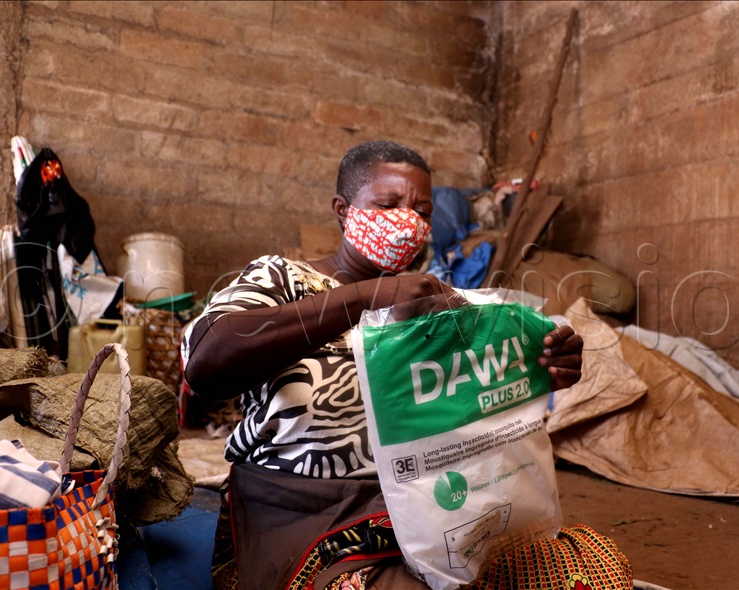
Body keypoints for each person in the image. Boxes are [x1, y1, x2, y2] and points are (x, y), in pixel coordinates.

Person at [181, 140, 631, 590]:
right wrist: (365, 297)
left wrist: (534, 367)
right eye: (387, 204)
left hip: (434, 509)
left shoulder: (437, 304)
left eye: (422, 210)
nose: (408, 220)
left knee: (595, 572)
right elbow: (206, 360)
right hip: (311, 519)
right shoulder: (285, 279)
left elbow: (466, 410)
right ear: (343, 209)